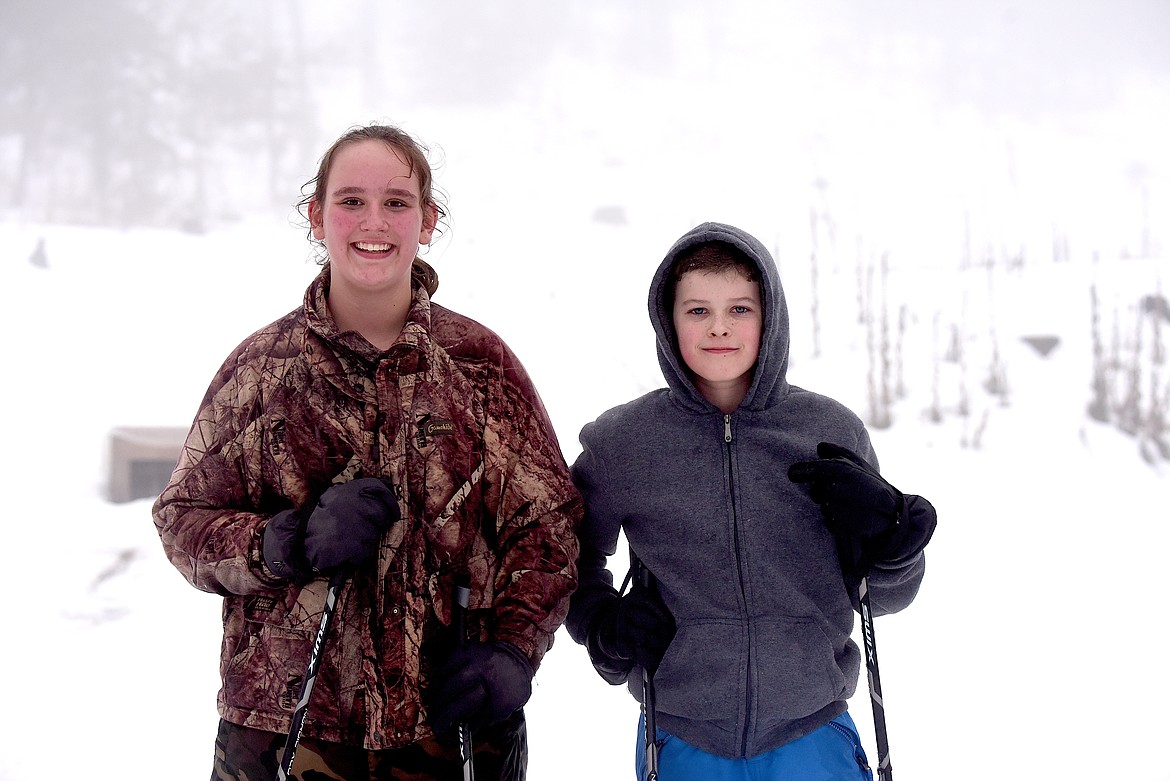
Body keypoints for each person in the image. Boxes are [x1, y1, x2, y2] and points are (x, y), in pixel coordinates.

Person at [153, 123, 581, 781]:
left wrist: (513, 652)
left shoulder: (480, 366)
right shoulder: (261, 371)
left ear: (428, 220)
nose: (372, 220)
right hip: (283, 733)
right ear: (316, 217)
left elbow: (550, 528)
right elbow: (183, 519)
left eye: (396, 202)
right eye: (350, 200)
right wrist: (286, 541)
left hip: (454, 731)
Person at [565, 221, 937, 780]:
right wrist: (600, 621)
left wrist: (893, 541)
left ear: (771, 317)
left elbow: (882, 597)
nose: (719, 328)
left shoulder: (828, 432)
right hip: (682, 732)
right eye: (697, 311)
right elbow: (567, 559)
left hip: (813, 730)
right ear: (668, 319)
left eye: (740, 309)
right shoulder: (624, 443)